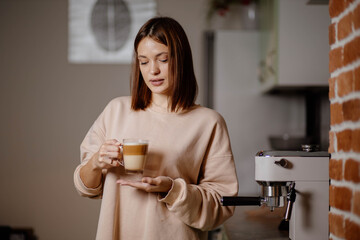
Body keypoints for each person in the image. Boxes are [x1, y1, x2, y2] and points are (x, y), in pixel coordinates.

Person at [74, 16, 238, 240]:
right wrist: (96, 162)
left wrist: (173, 190)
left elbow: (222, 204)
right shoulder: (116, 110)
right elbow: (84, 187)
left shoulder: (208, 123)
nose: (153, 70)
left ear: (181, 60)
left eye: (162, 59)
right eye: (144, 61)